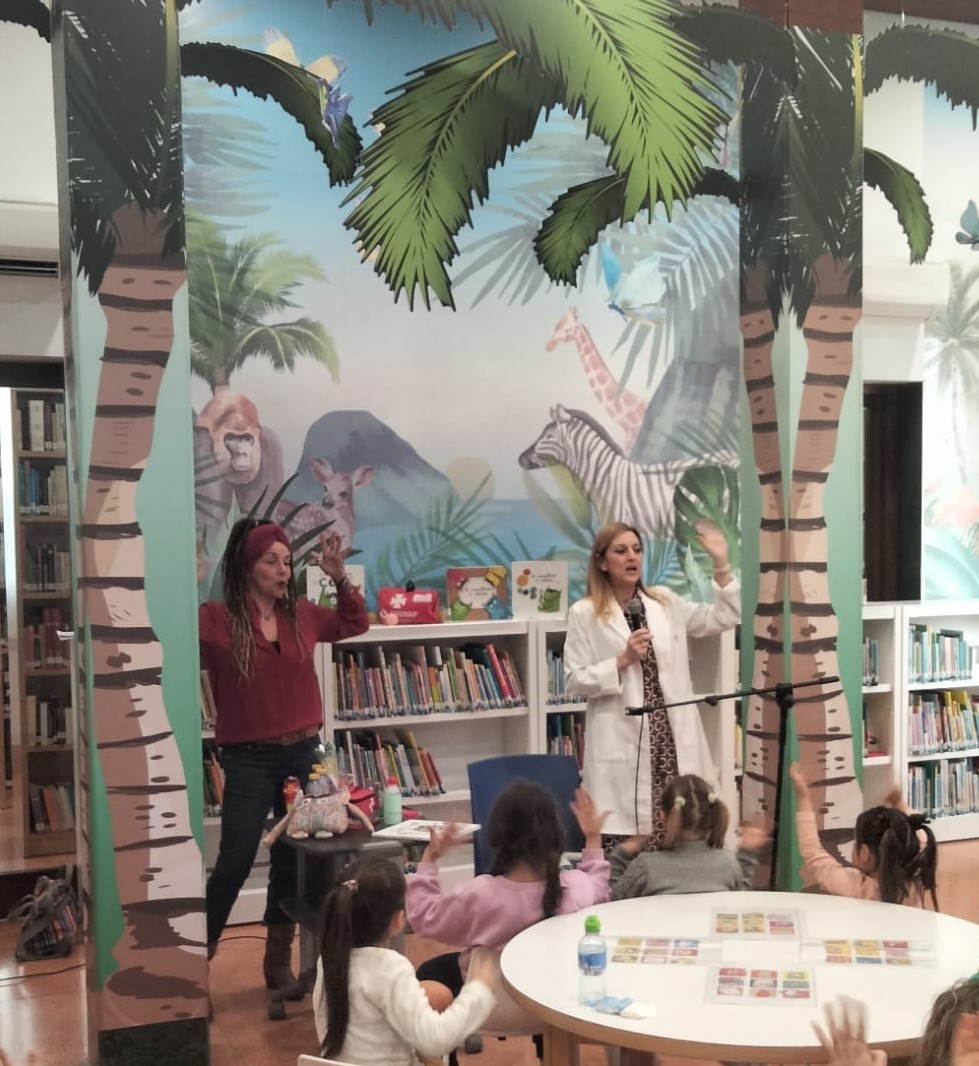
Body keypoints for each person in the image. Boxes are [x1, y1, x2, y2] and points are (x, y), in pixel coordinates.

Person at [199, 517, 369, 993]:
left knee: (299, 859)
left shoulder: (303, 615)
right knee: (234, 860)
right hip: (248, 757)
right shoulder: (214, 618)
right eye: (271, 561)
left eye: (287, 562)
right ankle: (193, 971)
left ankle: (277, 963)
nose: (282, 570)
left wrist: (339, 578)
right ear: (246, 567)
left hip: (307, 752)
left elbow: (355, 623)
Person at [564, 520, 739, 846]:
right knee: (629, 840)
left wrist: (721, 564)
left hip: (670, 739)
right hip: (621, 740)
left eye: (637, 550)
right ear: (602, 562)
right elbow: (574, 680)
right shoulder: (584, 613)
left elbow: (723, 617)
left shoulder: (665, 603)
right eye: (621, 551)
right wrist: (621, 661)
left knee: (678, 827)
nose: (632, 557)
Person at [406, 780, 611, 1005]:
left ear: (497, 836)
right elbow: (601, 888)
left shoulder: (480, 895)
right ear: (557, 835)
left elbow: (421, 916)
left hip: (488, 1003)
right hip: (549, 1002)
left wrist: (429, 858)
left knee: (429, 972)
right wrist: (592, 837)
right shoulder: (576, 888)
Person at [312, 856, 496, 1065]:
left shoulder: (328, 959)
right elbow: (436, 1040)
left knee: (435, 993)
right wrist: (479, 988)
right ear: (399, 920)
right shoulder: (391, 968)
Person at [789, 762, 939, 908]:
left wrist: (803, 797)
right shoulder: (914, 882)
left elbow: (813, 853)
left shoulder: (857, 888)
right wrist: (900, 803)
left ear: (864, 853)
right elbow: (919, 837)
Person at [609, 773, 768, 900]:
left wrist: (619, 855)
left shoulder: (646, 867)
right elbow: (737, 906)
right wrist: (746, 855)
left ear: (662, 817)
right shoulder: (729, 863)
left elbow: (614, 904)